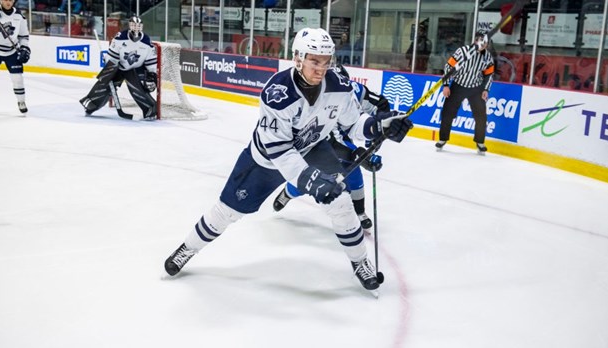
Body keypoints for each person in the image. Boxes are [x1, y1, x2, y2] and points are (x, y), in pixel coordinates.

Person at [163, 27, 413, 293]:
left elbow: (353, 124)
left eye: (326, 62)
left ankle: (360, 262)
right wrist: (309, 179)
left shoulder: (339, 87)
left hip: (313, 148)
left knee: (341, 203)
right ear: (298, 58)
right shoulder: (277, 93)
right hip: (265, 161)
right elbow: (279, 149)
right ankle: (187, 249)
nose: (321, 68)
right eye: (314, 61)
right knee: (227, 211)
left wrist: (379, 126)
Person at [272, 63, 390, 231]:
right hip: (320, 139)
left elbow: (382, 105)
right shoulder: (319, 100)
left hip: (346, 132)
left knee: (353, 171)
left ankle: (360, 212)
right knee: (311, 176)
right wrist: (358, 154)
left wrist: (376, 138)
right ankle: (288, 193)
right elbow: (333, 139)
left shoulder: (355, 90)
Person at [79, 16, 158, 120]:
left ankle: (150, 110)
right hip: (118, 67)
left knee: (138, 88)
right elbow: (112, 56)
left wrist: (152, 74)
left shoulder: (146, 41)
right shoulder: (120, 37)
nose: (136, 27)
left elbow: (150, 61)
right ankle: (92, 104)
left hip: (135, 69)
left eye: (138, 25)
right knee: (105, 83)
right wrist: (109, 65)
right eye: (134, 25)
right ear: (129, 25)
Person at [435, 30, 494, 155]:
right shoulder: (463, 51)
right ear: (476, 40)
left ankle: (480, 142)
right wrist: (446, 85)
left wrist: (485, 89)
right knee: (447, 113)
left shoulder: (487, 56)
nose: (484, 45)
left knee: (481, 116)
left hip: (476, 88)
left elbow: (489, 74)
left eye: (486, 43)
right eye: (481, 41)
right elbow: (448, 67)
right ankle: (443, 139)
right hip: (458, 86)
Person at [0, 0, 31, 114]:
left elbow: (24, 36)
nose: (8, 2)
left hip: (11, 51)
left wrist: (24, 48)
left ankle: (21, 101)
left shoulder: (19, 15)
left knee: (18, 79)